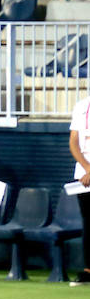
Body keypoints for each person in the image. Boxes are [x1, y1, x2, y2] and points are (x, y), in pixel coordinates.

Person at [69, 90, 90, 284]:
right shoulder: (81, 106)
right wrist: (87, 168)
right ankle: (88, 269)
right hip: (84, 177)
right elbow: (73, 142)